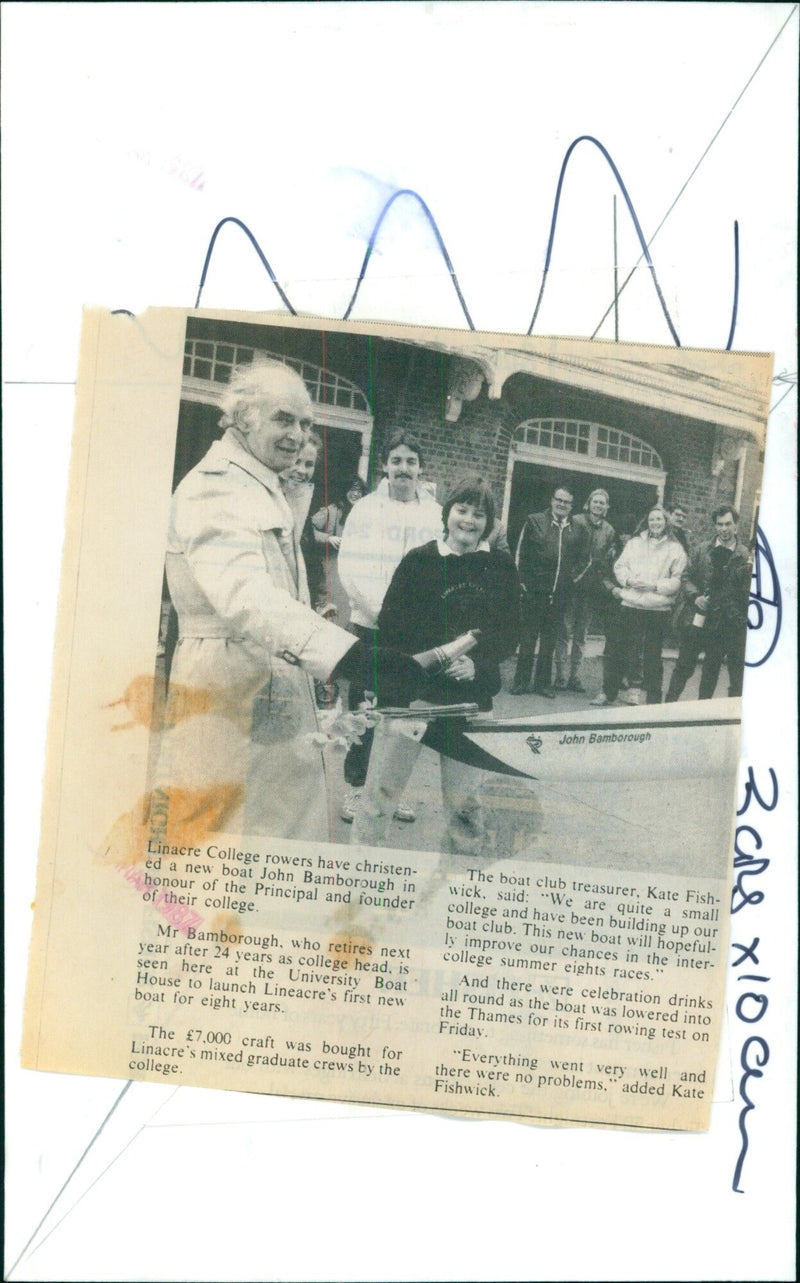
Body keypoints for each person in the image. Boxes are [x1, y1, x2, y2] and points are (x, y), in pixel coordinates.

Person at [156, 358, 423, 844]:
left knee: (273, 832)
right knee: (224, 841)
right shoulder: (216, 487)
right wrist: (351, 657)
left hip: (267, 678)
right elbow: (246, 596)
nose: (298, 435)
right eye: (284, 419)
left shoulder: (260, 483)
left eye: (305, 423)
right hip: (227, 688)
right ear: (243, 417)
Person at [351, 476, 519, 852]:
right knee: (380, 794)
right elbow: (391, 627)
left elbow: (510, 632)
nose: (469, 521)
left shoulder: (501, 567)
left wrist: (480, 666)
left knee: (467, 806)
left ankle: (461, 883)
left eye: (479, 514)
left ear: (488, 522)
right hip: (412, 698)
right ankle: (357, 872)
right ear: (448, 513)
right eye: (462, 510)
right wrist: (416, 666)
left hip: (470, 702)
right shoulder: (419, 561)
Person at [337, 432, 442, 821]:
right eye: (396, 460)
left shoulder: (433, 513)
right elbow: (350, 566)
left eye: (411, 462)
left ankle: (389, 791)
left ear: (420, 468)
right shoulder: (365, 509)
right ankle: (355, 788)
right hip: (371, 625)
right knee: (364, 710)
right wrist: (382, 613)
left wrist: (420, 620)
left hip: (411, 633)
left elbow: (437, 569)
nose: (403, 469)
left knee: (401, 714)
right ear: (384, 465)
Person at [591, 505, 687, 706]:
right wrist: (628, 582)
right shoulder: (634, 543)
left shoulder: (675, 548)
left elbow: (677, 581)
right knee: (618, 649)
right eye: (652, 519)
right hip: (631, 604)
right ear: (647, 522)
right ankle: (608, 693)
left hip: (658, 609)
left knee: (653, 656)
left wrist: (654, 585)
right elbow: (620, 566)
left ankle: (653, 701)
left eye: (659, 519)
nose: (655, 523)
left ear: (666, 522)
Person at [665, 504, 752, 701]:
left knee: (711, 669)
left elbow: (745, 592)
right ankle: (668, 704)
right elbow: (685, 577)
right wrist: (696, 596)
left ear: (736, 525)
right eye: (720, 524)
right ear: (715, 526)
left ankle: (701, 711)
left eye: (728, 524)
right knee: (684, 665)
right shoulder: (701, 550)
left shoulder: (744, 555)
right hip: (698, 617)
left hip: (723, 623)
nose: (724, 529)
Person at [511, 484, 589, 698]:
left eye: (567, 502)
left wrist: (571, 580)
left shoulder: (578, 529)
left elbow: (585, 560)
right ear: (552, 500)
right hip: (534, 593)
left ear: (572, 506)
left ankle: (542, 685)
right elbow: (521, 554)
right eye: (559, 500)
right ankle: (521, 682)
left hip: (560, 595)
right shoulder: (534, 521)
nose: (562, 504)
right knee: (528, 638)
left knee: (549, 641)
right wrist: (524, 583)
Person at [555, 487, 617, 693]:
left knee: (582, 634)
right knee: (564, 631)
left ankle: (574, 676)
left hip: (591, 589)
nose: (598, 505)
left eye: (602, 502)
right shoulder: (576, 521)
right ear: (588, 503)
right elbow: (565, 551)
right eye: (595, 501)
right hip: (572, 586)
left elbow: (608, 561)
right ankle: (560, 676)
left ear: (606, 507)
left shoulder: (609, 530)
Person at [310, 475, 367, 626]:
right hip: (331, 568)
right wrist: (328, 538)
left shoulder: (366, 515)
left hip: (354, 570)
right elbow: (307, 530)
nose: (356, 494)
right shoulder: (332, 511)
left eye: (360, 491)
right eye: (352, 489)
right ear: (345, 491)